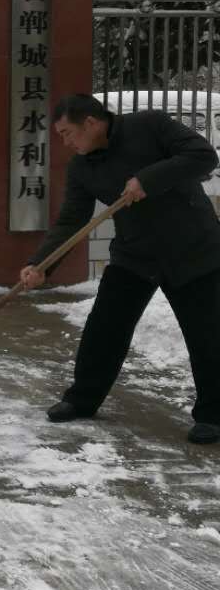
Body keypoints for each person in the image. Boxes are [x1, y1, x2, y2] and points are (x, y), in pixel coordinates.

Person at [19, 94, 220, 444]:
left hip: (193, 249)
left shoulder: (150, 126)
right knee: (104, 328)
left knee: (207, 335)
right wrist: (42, 264)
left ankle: (213, 416)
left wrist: (147, 179)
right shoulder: (81, 167)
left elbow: (203, 155)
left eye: (67, 133)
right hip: (135, 253)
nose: (65, 142)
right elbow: (71, 221)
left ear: (90, 123)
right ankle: (82, 399)